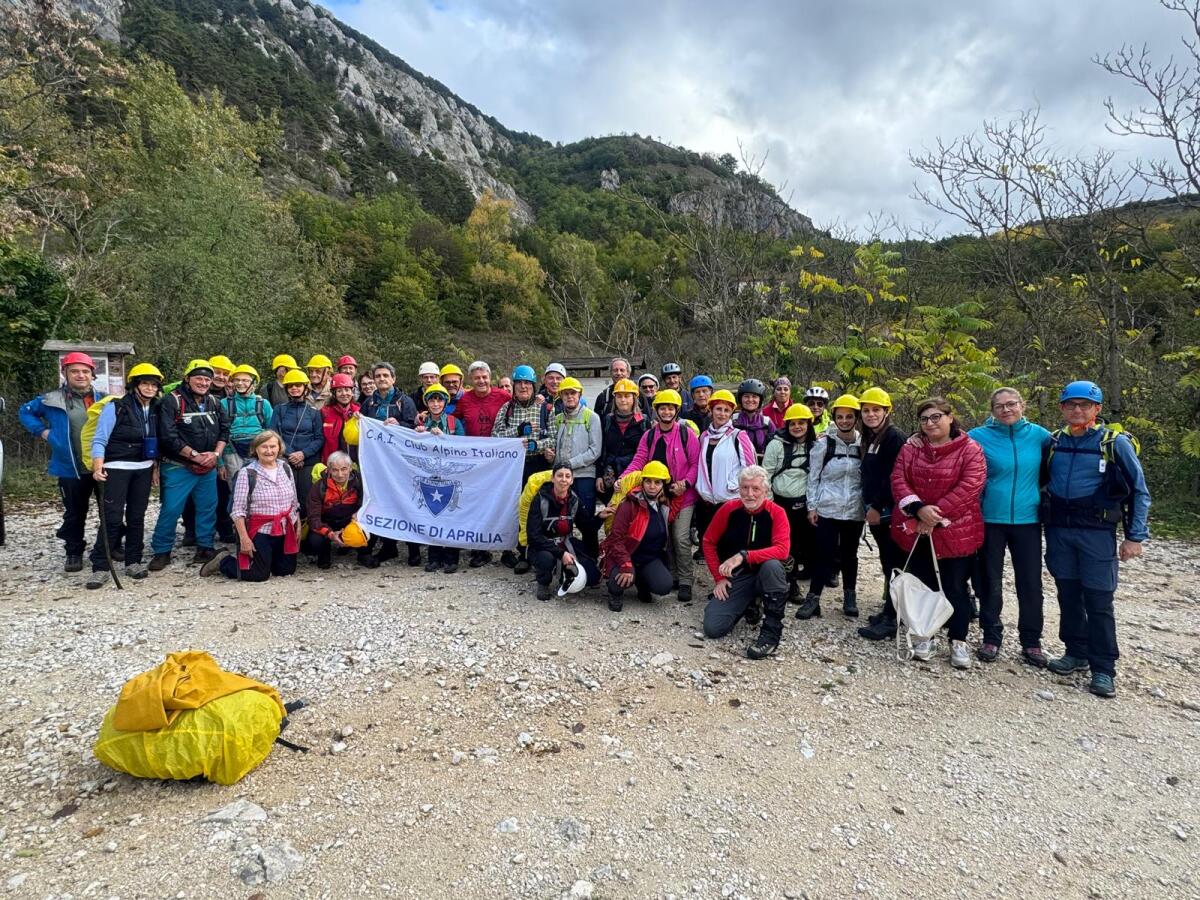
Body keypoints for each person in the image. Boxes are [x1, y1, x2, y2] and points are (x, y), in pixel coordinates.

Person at [1042, 380, 1150, 697]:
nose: (1078, 410)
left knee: (1099, 600)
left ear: (1097, 409)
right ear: (1062, 408)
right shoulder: (1053, 442)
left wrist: (1135, 537)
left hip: (1098, 533)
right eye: (1071, 405)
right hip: (1060, 531)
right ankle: (1075, 653)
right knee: (1068, 594)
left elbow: (1139, 492)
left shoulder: (1114, 444)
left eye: (1085, 405)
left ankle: (1103, 669)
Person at [890, 397, 987, 668]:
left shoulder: (970, 449)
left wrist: (934, 515)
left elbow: (970, 487)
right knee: (923, 586)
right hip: (917, 528)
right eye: (924, 419)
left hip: (955, 531)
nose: (930, 423)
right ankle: (926, 634)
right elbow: (899, 479)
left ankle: (958, 640)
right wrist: (918, 509)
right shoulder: (912, 448)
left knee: (954, 587)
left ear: (950, 417)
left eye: (936, 417)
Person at [967, 387, 1052, 665]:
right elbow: (947, 443)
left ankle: (1031, 641)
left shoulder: (1040, 436)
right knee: (989, 581)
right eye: (1000, 406)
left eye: (1011, 404)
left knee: (1030, 583)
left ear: (1022, 405)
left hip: (1028, 519)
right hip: (990, 519)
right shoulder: (978, 436)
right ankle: (991, 636)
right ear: (991, 410)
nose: (1006, 409)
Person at [19, 351, 105, 572]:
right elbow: (25, 412)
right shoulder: (51, 399)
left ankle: (107, 547)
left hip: (100, 465)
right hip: (70, 467)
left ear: (92, 375)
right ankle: (74, 551)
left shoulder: (103, 398)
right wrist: (43, 432)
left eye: (85, 371)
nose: (80, 375)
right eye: (74, 371)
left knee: (109, 510)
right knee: (75, 512)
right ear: (65, 373)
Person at [701, 466, 792, 659]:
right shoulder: (728, 509)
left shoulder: (777, 513)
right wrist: (718, 578)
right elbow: (708, 542)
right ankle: (748, 603)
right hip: (737, 577)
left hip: (765, 575)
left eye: (756, 489)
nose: (749, 494)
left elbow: (783, 550)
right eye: (744, 488)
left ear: (766, 491)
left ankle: (771, 632)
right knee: (713, 628)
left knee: (773, 565)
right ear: (738, 489)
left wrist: (744, 555)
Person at [87, 363, 162, 587]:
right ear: (134, 385)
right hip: (117, 467)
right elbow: (100, 438)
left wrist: (155, 467)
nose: (149, 388)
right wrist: (97, 466)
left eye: (153, 384)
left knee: (137, 517)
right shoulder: (116, 407)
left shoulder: (157, 409)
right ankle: (100, 566)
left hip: (144, 468)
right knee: (111, 517)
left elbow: (158, 440)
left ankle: (133, 561)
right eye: (145, 383)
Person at [149, 359, 229, 571]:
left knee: (207, 507)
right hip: (178, 466)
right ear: (187, 379)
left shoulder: (214, 401)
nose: (203, 383)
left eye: (207, 379)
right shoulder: (171, 401)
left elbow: (224, 430)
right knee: (171, 509)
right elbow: (168, 436)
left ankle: (205, 546)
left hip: (208, 465)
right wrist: (195, 456)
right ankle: (161, 550)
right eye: (199, 378)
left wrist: (215, 454)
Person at [621, 389, 700, 602]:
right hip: (658, 495)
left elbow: (695, 463)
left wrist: (685, 483)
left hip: (683, 495)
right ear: (656, 411)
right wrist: (624, 477)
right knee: (665, 536)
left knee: (680, 537)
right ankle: (671, 574)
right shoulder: (649, 436)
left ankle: (685, 580)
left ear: (676, 411)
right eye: (662, 408)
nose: (666, 412)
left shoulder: (686, 434)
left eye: (670, 408)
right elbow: (639, 460)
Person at [798, 394, 865, 620]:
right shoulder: (824, 444)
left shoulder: (864, 444)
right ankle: (813, 598)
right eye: (840, 417)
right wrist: (812, 506)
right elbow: (813, 477)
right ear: (834, 417)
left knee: (849, 555)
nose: (844, 421)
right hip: (828, 507)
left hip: (855, 509)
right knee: (823, 554)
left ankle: (850, 596)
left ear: (856, 418)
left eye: (849, 417)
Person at [200, 430, 298, 582]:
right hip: (260, 531)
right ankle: (223, 561)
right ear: (255, 449)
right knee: (258, 575)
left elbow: (294, 502)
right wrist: (244, 538)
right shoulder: (247, 473)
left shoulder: (285, 468)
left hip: (284, 529)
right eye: (264, 447)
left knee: (285, 570)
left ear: (279, 448)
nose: (269, 451)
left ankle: (265, 559)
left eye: (273, 446)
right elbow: (237, 510)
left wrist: (296, 526)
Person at [855, 387, 910, 641]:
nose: (870, 414)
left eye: (876, 410)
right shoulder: (872, 437)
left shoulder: (893, 438)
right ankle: (890, 610)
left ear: (887, 411)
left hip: (887, 511)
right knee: (888, 563)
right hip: (876, 508)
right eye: (866, 410)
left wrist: (877, 506)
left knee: (895, 563)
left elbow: (894, 477)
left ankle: (892, 617)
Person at [493, 365, 550, 568]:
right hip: (513, 465)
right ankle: (521, 552)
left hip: (538, 463)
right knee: (516, 507)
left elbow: (552, 438)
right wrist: (517, 432)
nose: (523, 387)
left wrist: (537, 444)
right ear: (514, 386)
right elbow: (495, 437)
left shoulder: (544, 408)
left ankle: (537, 550)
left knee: (536, 508)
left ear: (534, 386)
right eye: (519, 383)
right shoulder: (506, 409)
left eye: (527, 383)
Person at [601, 461, 674, 611]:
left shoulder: (664, 504)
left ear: (663, 485)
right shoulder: (629, 505)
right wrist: (626, 564)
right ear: (642, 482)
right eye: (648, 481)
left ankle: (641, 580)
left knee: (664, 586)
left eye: (657, 482)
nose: (652, 486)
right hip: (625, 556)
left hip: (648, 558)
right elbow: (616, 539)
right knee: (619, 581)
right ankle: (615, 592)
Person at [762, 403, 816, 601]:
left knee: (801, 545)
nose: (797, 427)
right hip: (780, 503)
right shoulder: (776, 444)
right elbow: (765, 474)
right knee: (784, 545)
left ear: (809, 424)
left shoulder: (815, 445)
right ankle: (790, 584)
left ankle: (797, 580)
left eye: (801, 423)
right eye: (793, 423)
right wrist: (769, 504)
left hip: (804, 504)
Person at [544, 377, 603, 557]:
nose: (569, 397)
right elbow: (553, 444)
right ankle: (563, 558)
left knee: (586, 522)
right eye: (565, 393)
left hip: (584, 475)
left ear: (579, 395)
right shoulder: (557, 419)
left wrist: (569, 465)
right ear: (560, 396)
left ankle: (591, 557)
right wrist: (550, 457)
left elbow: (595, 450)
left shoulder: (591, 417)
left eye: (573, 393)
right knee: (561, 519)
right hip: (561, 478)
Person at [526, 463, 602, 602]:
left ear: (572, 480)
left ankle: (565, 573)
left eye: (568, 476)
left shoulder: (574, 501)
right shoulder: (539, 500)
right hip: (543, 545)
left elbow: (587, 528)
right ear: (552, 478)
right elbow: (533, 536)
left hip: (566, 543)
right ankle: (544, 582)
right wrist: (561, 554)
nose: (564, 479)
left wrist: (600, 518)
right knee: (546, 559)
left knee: (592, 577)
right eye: (560, 475)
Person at [695, 388, 756, 555]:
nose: (722, 414)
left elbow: (751, 469)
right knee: (714, 547)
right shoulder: (704, 437)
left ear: (731, 413)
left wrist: (735, 486)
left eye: (726, 410)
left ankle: (735, 580)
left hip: (731, 501)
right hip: (708, 502)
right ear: (711, 410)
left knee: (732, 546)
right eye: (718, 409)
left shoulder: (738, 436)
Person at [416, 383, 466, 573]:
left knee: (451, 515)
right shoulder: (422, 424)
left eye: (439, 400)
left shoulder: (454, 422)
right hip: (429, 477)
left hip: (450, 475)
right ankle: (434, 557)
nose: (436, 403)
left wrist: (444, 437)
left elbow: (463, 447)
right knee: (432, 515)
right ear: (426, 403)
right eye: (432, 399)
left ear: (445, 403)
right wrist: (418, 434)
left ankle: (452, 558)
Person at [269, 368, 324, 513]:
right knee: (285, 498)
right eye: (290, 385)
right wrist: (292, 455)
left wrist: (303, 454)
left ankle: (305, 531)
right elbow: (274, 434)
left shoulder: (314, 412)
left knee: (307, 498)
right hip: (286, 459)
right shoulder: (279, 410)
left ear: (305, 388)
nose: (294, 388)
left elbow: (319, 438)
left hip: (309, 461)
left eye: (298, 385)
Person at [302, 451, 366, 569]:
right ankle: (324, 554)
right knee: (314, 541)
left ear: (351, 468)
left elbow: (367, 505)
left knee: (369, 528)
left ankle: (364, 554)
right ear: (329, 470)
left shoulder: (360, 483)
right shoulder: (319, 487)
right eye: (335, 470)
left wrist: (359, 514)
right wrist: (330, 534)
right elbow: (313, 518)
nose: (340, 474)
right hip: (327, 522)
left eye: (344, 469)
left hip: (350, 520)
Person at [595, 378, 647, 502]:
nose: (623, 400)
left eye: (627, 396)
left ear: (634, 398)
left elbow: (646, 452)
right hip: (610, 475)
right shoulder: (607, 420)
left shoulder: (643, 421)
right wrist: (598, 476)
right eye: (619, 396)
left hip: (633, 476)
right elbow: (601, 450)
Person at [222, 365, 271, 462]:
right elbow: (218, 433)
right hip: (231, 451)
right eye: (237, 380)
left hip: (259, 450)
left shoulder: (263, 403)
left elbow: (272, 430)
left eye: (245, 380)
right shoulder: (224, 403)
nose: (240, 383)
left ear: (254, 383)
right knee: (235, 477)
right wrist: (220, 463)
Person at [361, 362, 418, 427]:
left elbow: (414, 427)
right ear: (374, 380)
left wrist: (399, 424)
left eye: (385, 375)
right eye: (378, 376)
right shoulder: (368, 402)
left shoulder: (406, 401)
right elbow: (362, 425)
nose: (382, 379)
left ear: (393, 379)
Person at [321, 373, 360, 463]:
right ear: (334, 393)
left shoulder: (359, 412)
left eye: (347, 390)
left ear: (352, 392)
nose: (344, 394)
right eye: (339, 391)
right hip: (333, 462)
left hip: (356, 461)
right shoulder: (325, 412)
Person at [733, 379, 775, 461]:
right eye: (746, 396)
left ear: (760, 400)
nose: (750, 400)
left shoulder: (766, 423)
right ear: (741, 399)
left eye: (754, 396)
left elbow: (774, 449)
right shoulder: (733, 421)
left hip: (761, 467)